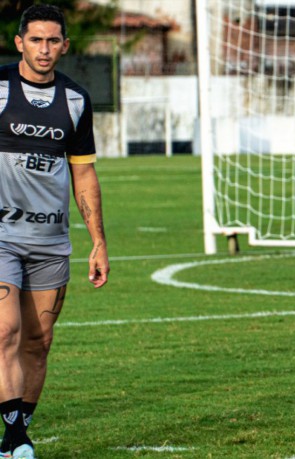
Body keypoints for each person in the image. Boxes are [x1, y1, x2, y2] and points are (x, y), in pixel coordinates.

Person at [0, 4, 109, 458]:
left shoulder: (77, 100)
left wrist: (98, 241)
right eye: (36, 40)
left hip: (50, 242)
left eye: (53, 41)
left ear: (65, 45)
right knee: (4, 332)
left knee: (38, 343)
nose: (45, 49)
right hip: (1, 237)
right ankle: (16, 440)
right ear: (19, 42)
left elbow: (83, 175)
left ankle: (15, 432)